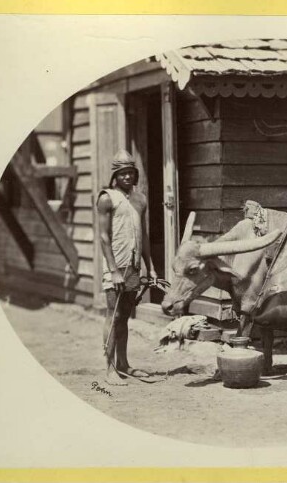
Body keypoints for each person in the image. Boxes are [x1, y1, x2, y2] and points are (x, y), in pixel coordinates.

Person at [97, 149, 157, 385]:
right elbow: (103, 237)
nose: (127, 177)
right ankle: (109, 369)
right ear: (115, 175)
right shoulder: (106, 198)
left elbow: (144, 235)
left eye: (130, 172)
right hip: (115, 266)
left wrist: (149, 267)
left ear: (135, 174)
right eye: (122, 173)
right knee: (113, 315)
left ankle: (123, 364)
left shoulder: (140, 199)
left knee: (124, 318)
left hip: (133, 266)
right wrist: (113, 270)